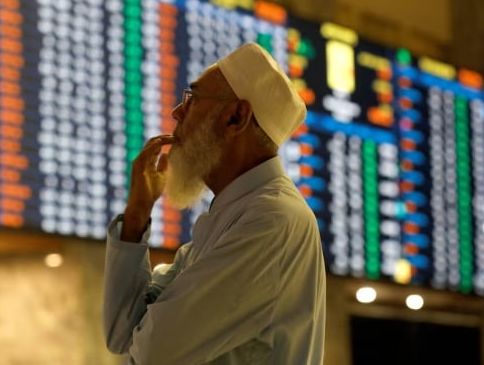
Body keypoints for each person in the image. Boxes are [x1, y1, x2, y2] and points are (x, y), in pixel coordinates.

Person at [103, 42, 326, 364]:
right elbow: (122, 337)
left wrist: (147, 332)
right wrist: (138, 214)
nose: (176, 112)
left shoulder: (271, 220)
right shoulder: (231, 215)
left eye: (192, 100)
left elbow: (153, 353)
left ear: (236, 117)